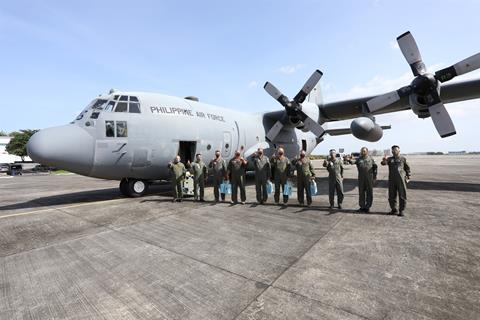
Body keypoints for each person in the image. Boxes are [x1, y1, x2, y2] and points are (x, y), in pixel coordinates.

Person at [381, 145, 411, 216]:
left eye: (396, 150)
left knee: (402, 195)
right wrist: (384, 160)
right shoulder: (389, 159)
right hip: (392, 179)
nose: (394, 151)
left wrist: (408, 176)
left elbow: (407, 168)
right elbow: (383, 163)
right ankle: (394, 209)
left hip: (401, 179)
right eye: (393, 150)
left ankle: (402, 210)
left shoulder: (403, 159)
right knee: (391, 195)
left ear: (399, 151)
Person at [355, 147, 377, 213]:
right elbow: (353, 162)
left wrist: (375, 177)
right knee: (361, 192)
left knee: (369, 193)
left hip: (369, 178)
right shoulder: (359, 159)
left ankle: (368, 207)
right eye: (362, 151)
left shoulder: (371, 159)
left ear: (367, 151)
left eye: (364, 151)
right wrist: (349, 160)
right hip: (361, 178)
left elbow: (375, 168)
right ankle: (362, 207)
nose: (363, 152)